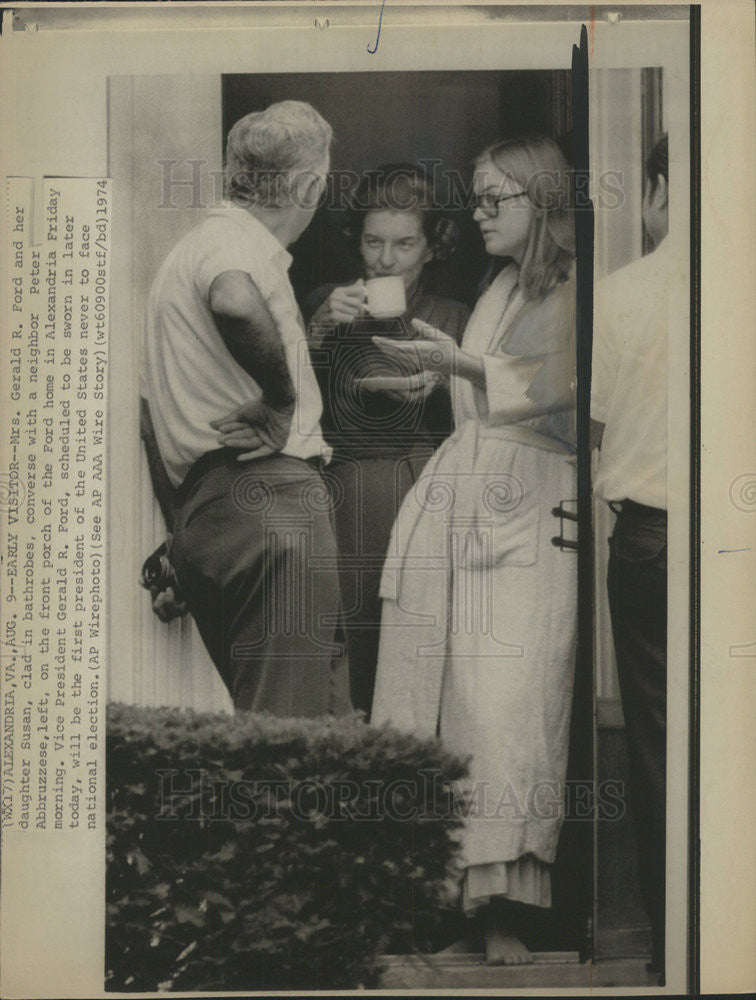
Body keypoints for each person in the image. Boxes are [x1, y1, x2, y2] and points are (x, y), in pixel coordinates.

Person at [371, 137, 578, 964]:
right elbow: (491, 388)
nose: (480, 211)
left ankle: (506, 915)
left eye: (498, 198)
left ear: (543, 201)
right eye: (478, 197)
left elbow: (568, 396)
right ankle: (453, 906)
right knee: (449, 706)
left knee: (506, 713)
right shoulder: (499, 286)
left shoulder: (574, 287)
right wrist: (438, 382)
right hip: (469, 504)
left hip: (528, 513)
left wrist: (460, 362)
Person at [140, 100, 351, 717]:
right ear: (310, 184)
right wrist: (281, 400)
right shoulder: (233, 246)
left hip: (213, 511)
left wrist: (183, 527)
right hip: (271, 501)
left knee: (316, 733)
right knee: (289, 741)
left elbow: (151, 417)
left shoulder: (193, 249)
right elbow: (234, 301)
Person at [303, 166, 470, 717]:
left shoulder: (454, 315)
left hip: (422, 483)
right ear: (357, 239)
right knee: (345, 634)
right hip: (342, 487)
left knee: (413, 639)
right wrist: (321, 325)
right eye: (374, 241)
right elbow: (289, 392)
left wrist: (445, 381)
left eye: (404, 243)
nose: (385, 259)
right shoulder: (328, 302)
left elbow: (478, 416)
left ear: (433, 247)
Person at [591, 133, 669, 979]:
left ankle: (670, 937)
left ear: (655, 189)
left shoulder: (623, 294)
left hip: (651, 535)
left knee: (654, 738)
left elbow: (599, 422)